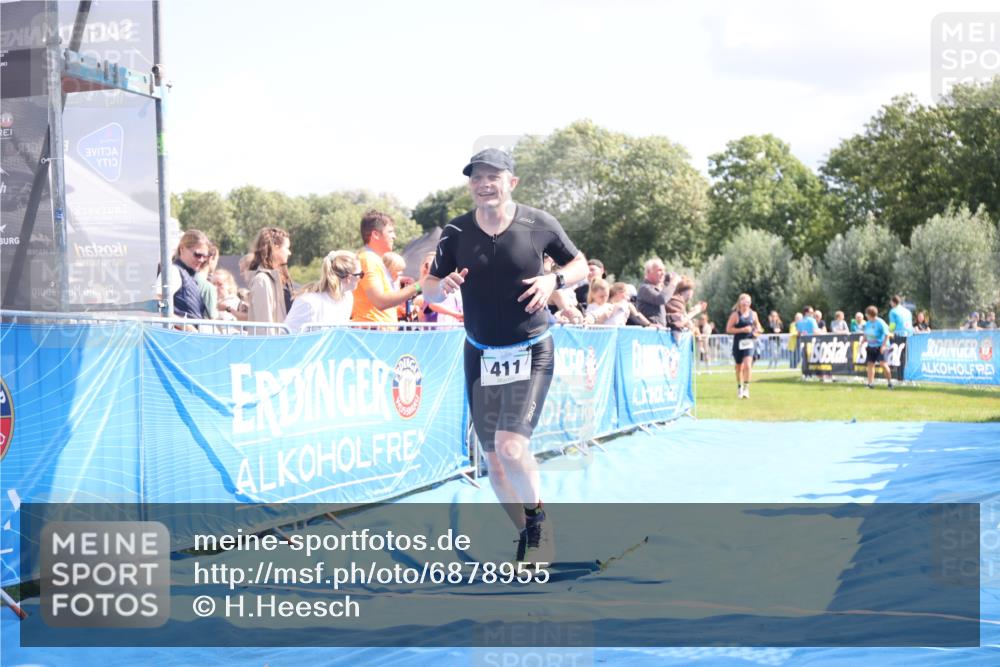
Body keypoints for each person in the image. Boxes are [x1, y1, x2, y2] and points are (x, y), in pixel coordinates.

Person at [423, 148, 588, 564]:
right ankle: (528, 533)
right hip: (480, 355)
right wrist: (440, 287)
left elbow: (581, 265)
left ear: (511, 182)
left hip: (531, 349)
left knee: (512, 446)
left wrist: (553, 281)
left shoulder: (538, 223)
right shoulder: (456, 232)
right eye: (476, 177)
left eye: (492, 176)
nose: (483, 184)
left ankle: (539, 525)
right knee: (494, 465)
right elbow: (429, 286)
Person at [351, 210, 423, 324]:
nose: (394, 236)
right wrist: (420, 285)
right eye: (390, 232)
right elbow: (380, 302)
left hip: (378, 331)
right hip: (373, 331)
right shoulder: (368, 259)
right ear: (375, 234)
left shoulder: (373, 259)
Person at [284, 251, 361, 333]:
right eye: (360, 274)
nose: (360, 279)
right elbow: (287, 335)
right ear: (349, 278)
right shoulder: (309, 302)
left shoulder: (348, 298)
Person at [155, 229, 210, 326]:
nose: (201, 260)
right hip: (177, 334)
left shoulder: (189, 275)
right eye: (197, 254)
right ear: (182, 249)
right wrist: (186, 326)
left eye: (205, 256)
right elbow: (157, 302)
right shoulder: (173, 271)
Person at [247, 227, 293, 325]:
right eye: (287, 248)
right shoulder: (262, 280)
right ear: (275, 247)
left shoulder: (279, 278)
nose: (289, 253)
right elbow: (264, 325)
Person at [726, 293, 763, 399]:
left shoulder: (753, 314)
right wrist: (742, 329)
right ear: (740, 302)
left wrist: (757, 331)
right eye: (744, 302)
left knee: (747, 364)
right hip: (738, 342)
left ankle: (746, 388)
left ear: (750, 303)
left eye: (748, 302)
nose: (746, 304)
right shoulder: (735, 315)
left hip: (749, 342)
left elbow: (759, 327)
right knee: (739, 367)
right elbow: (728, 329)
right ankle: (740, 387)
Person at [636, 258, 681, 327]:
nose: (663, 273)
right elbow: (662, 299)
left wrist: (671, 317)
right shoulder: (644, 288)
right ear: (649, 272)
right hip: (649, 331)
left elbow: (656, 316)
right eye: (659, 270)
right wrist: (673, 283)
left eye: (664, 270)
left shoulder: (655, 289)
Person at [863, 305, 894, 390]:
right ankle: (870, 384)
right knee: (870, 364)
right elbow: (865, 334)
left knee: (883, 364)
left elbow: (887, 334)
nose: (866, 315)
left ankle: (890, 383)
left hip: (880, 346)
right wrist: (862, 342)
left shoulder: (880, 322)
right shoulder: (868, 323)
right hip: (871, 346)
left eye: (867, 314)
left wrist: (883, 346)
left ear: (870, 314)